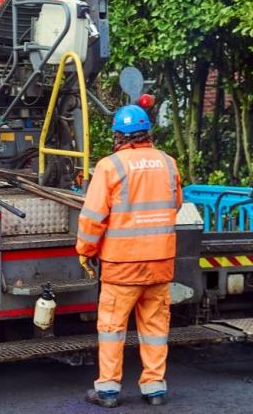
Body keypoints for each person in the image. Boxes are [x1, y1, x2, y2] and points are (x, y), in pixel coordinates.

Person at [76, 105, 182, 408]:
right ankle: (155, 388)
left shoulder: (110, 166)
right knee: (155, 329)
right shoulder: (168, 163)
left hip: (122, 267)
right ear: (147, 132)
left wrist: (86, 251)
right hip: (160, 263)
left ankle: (108, 391)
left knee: (112, 328)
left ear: (117, 135)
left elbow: (93, 217)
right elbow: (174, 204)